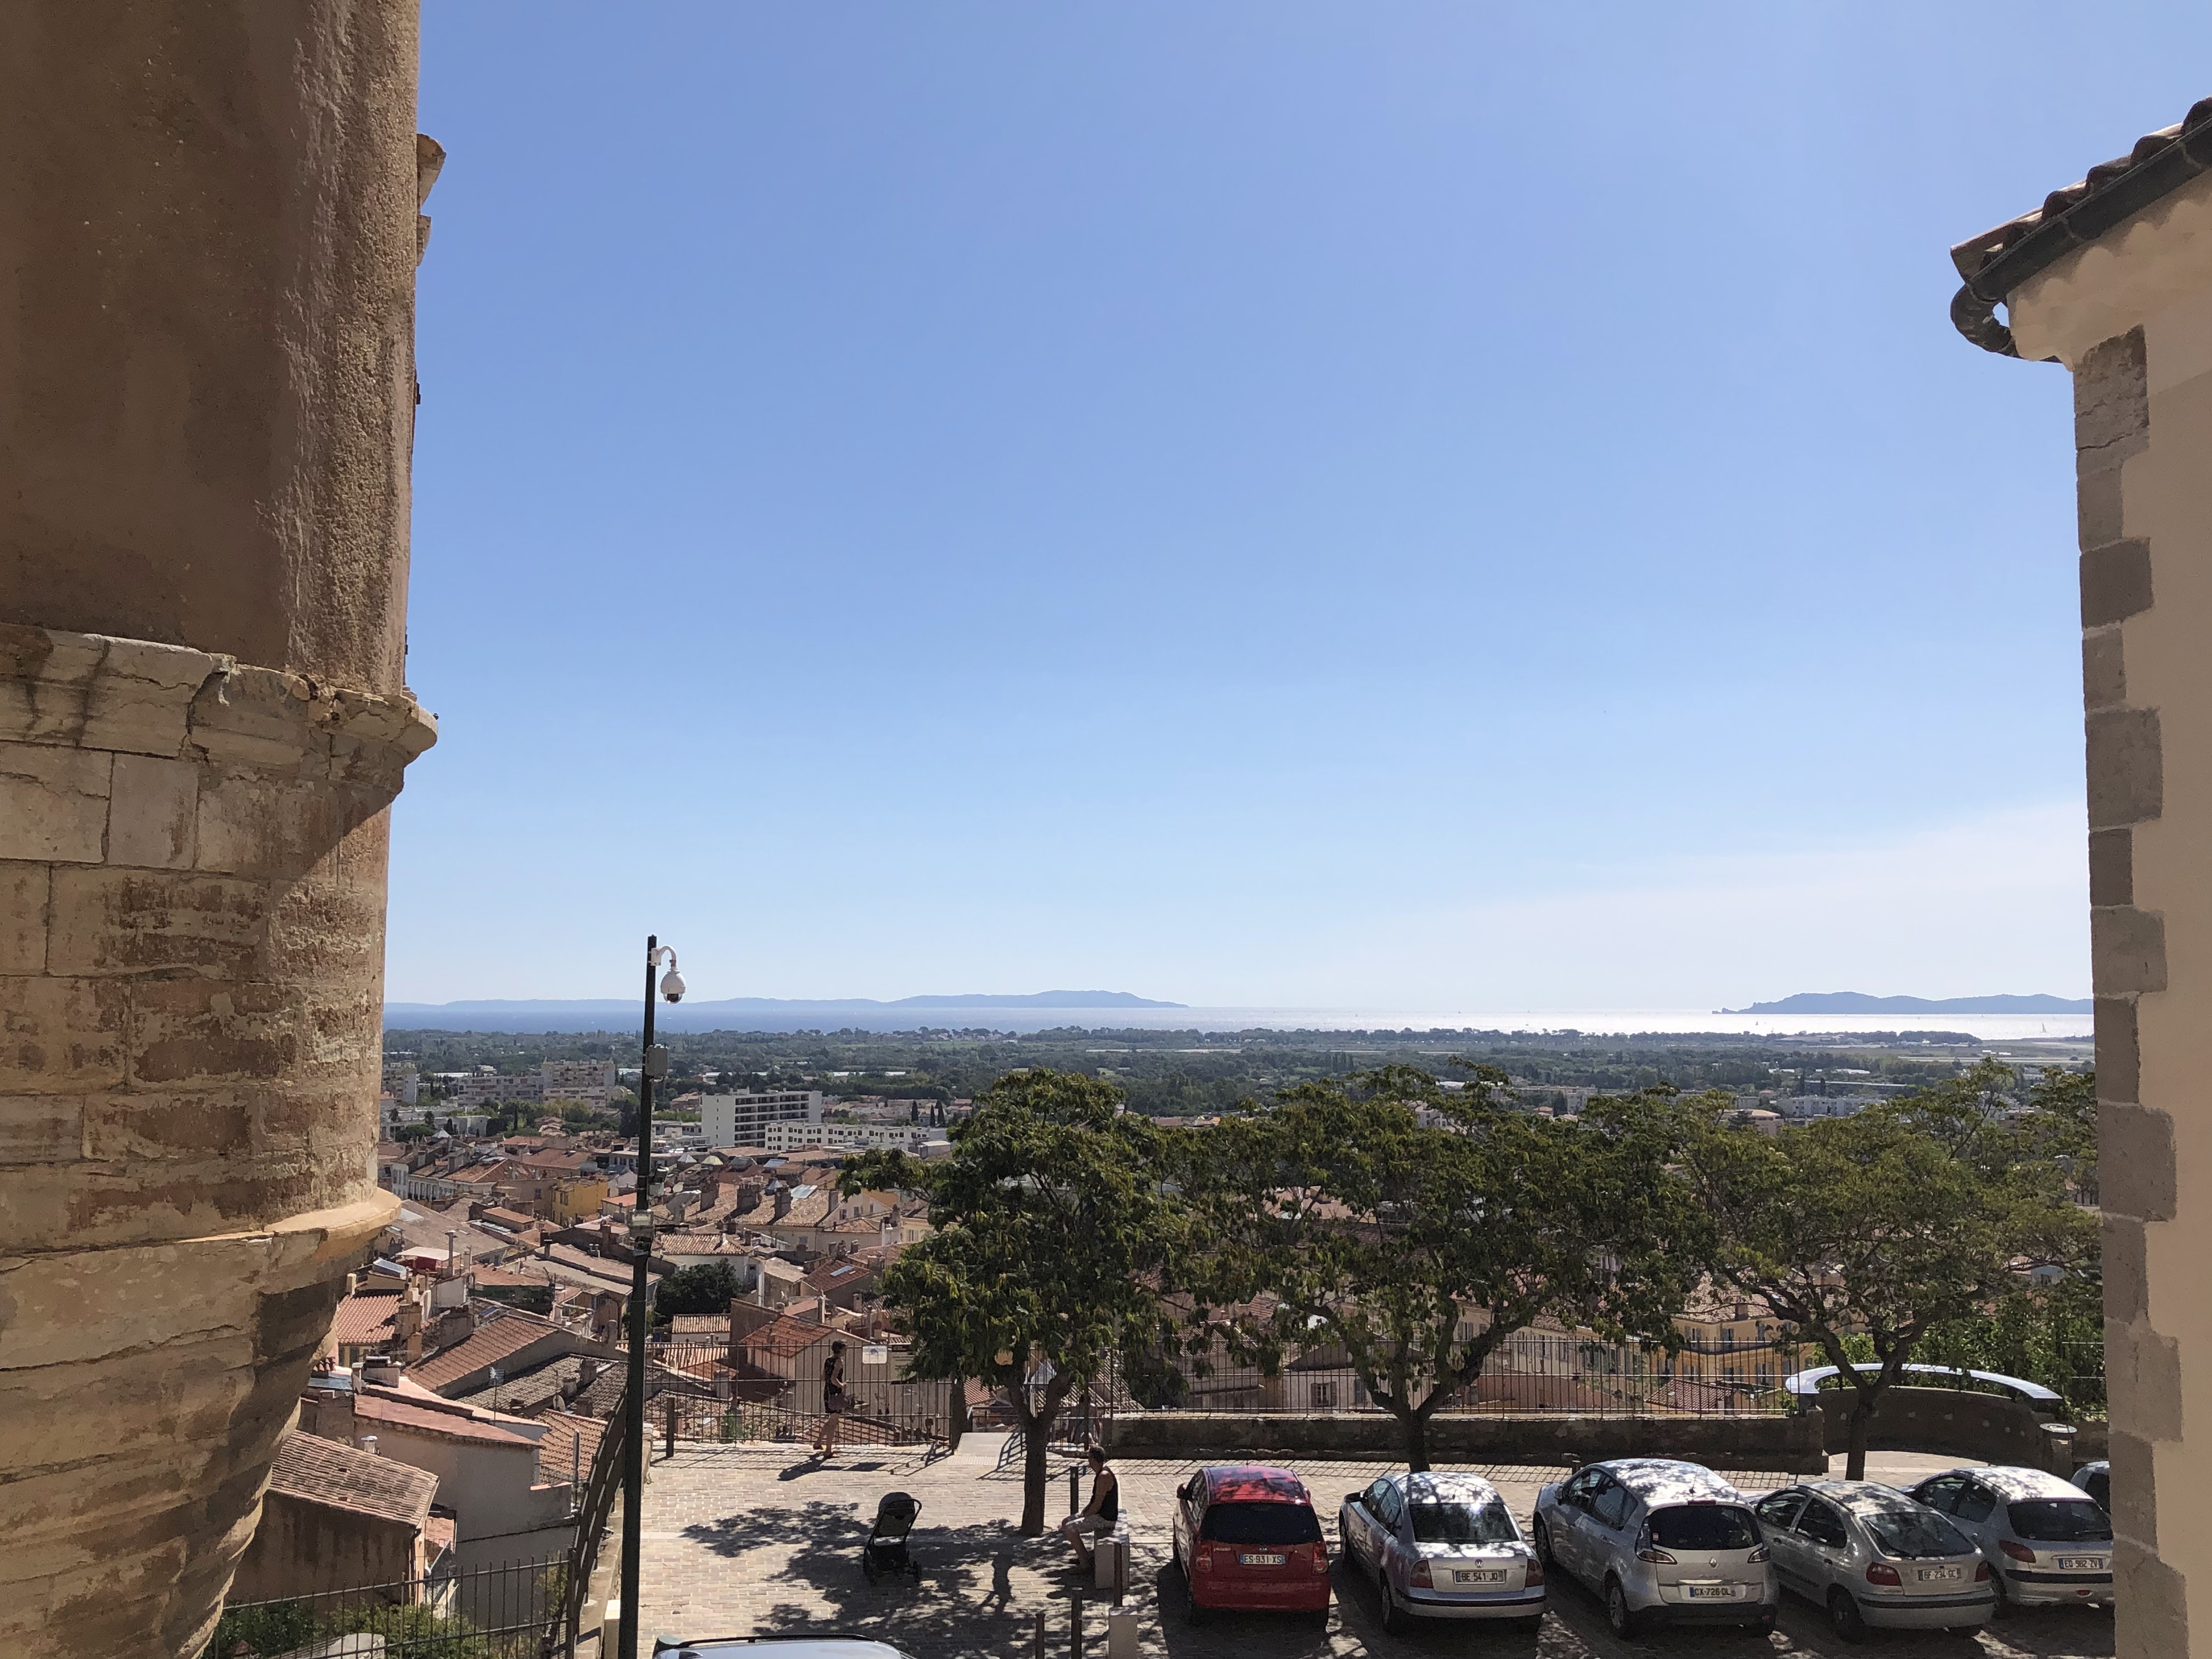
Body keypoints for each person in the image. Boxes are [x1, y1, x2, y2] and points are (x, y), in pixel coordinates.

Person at [1059, 1445, 1119, 1570]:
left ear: (1094, 1460)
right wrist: (1083, 1513)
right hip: (1098, 1514)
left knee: (1070, 1528)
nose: (1088, 1462)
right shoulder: (1100, 1474)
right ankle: (1084, 1556)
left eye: (1089, 1458)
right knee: (1066, 1522)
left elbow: (1097, 1505)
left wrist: (1084, 1517)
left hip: (1105, 1518)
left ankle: (1085, 1564)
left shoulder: (1104, 1476)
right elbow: (1094, 1501)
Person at [813, 1340, 849, 1458]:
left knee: (831, 1420)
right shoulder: (839, 1362)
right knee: (833, 1423)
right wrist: (842, 1385)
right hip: (835, 1394)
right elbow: (834, 1379)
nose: (846, 1351)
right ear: (840, 1350)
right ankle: (828, 1450)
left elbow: (823, 1377)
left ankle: (818, 1443)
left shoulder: (828, 1360)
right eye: (845, 1349)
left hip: (827, 1392)